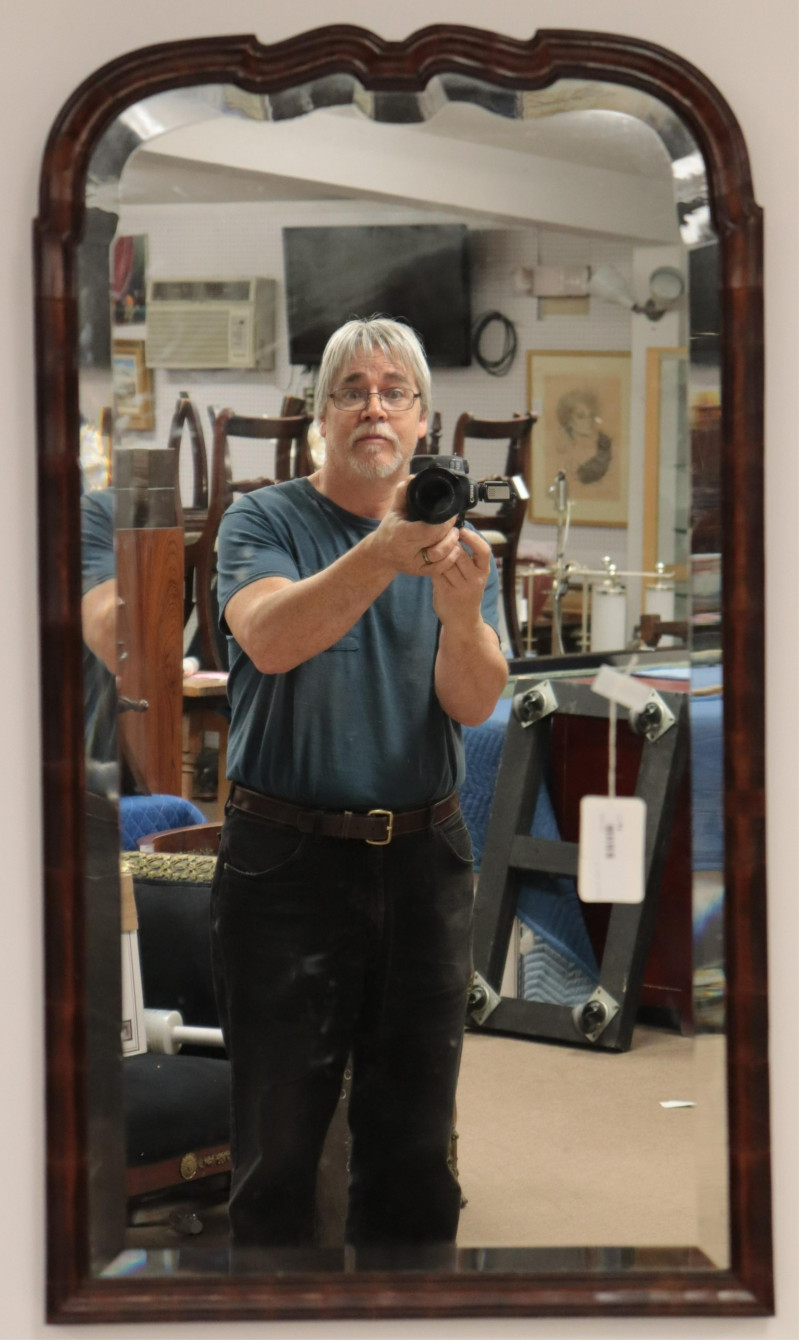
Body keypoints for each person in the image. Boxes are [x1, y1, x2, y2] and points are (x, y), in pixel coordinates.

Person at [210, 316, 508, 1250]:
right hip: (285, 867)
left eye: (394, 392)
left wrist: (461, 615)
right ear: (321, 420)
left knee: (417, 1152)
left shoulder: (458, 548)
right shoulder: (262, 521)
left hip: (424, 862)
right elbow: (270, 637)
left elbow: (474, 702)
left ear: (426, 424)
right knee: (279, 1151)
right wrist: (385, 550)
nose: (373, 406)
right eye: (352, 390)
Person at [555, 387, 612, 485]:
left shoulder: (602, 449)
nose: (589, 421)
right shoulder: (562, 450)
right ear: (568, 420)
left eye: (591, 415)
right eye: (581, 416)